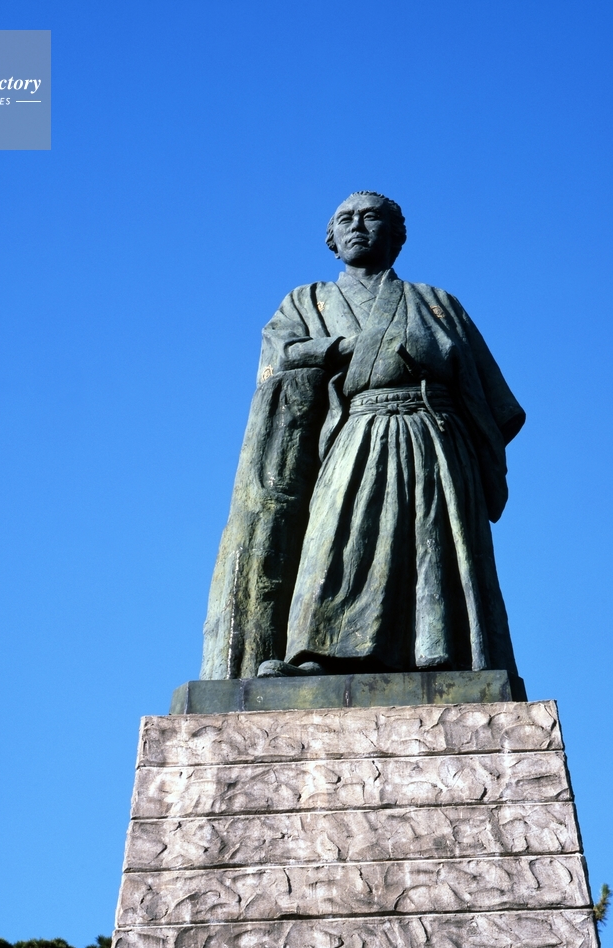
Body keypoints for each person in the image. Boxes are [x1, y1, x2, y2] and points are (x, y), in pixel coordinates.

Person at [200, 192, 524, 683]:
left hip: (433, 436)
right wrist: (344, 348)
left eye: (371, 217)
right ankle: (320, 651)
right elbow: (281, 357)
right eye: (345, 219)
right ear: (332, 239)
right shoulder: (305, 301)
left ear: (396, 236)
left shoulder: (436, 302)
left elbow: (491, 398)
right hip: (355, 431)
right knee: (334, 541)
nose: (357, 226)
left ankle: (439, 652)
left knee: (430, 544)